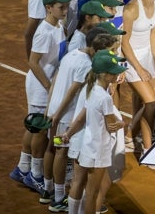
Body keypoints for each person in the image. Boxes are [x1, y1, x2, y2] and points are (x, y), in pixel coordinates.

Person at [10, 0, 75, 194]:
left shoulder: (59, 25)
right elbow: (33, 62)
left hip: (48, 84)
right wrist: (49, 88)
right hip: (40, 86)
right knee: (39, 130)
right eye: (60, 7)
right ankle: (35, 175)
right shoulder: (44, 31)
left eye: (66, 6)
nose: (65, 10)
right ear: (48, 8)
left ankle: (23, 168)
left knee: (39, 129)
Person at [39, 28, 103, 206]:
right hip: (65, 115)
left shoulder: (72, 54)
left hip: (54, 109)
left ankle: (47, 189)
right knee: (61, 152)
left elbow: (55, 81)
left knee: (51, 148)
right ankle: (58, 198)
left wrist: (49, 108)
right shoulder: (87, 65)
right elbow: (71, 92)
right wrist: (58, 116)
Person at [62, 51, 127, 214]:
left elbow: (80, 119)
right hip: (99, 151)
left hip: (87, 147)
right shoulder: (105, 98)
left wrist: (68, 135)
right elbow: (111, 125)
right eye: (113, 72)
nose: (116, 74)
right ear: (105, 75)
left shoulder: (91, 90)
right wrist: (123, 123)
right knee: (92, 194)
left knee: (81, 185)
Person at [121, 0, 155, 156]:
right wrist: (139, 69)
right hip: (131, 58)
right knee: (151, 101)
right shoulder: (131, 8)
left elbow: (154, 33)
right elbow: (124, 43)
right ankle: (147, 151)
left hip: (147, 54)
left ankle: (131, 136)